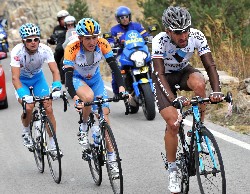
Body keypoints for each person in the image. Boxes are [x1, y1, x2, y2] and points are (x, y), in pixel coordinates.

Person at [151, 6, 223, 193]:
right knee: (174, 123)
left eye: (185, 30)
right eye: (177, 32)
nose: (183, 36)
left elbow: (210, 65)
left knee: (199, 83)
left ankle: (198, 129)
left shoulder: (197, 36)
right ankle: (173, 169)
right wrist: (173, 99)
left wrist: (216, 91)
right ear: (168, 31)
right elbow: (158, 73)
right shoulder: (160, 40)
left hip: (183, 72)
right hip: (163, 79)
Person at [63, 18, 127, 176]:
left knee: (105, 116)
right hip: (78, 79)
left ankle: (112, 159)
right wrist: (74, 97)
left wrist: (121, 87)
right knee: (89, 98)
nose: (92, 41)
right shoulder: (72, 48)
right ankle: (83, 126)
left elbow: (114, 68)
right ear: (80, 38)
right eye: (87, 38)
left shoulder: (103, 44)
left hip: (96, 80)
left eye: (94, 37)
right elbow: (68, 79)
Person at [10, 23, 63, 155]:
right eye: (29, 40)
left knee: (48, 107)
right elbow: (15, 78)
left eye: (36, 39)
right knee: (29, 106)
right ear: (23, 41)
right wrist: (23, 94)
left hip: (38, 79)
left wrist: (56, 87)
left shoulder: (45, 50)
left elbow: (55, 71)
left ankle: (52, 145)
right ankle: (26, 132)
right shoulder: (17, 52)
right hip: (22, 81)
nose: (33, 42)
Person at [107, 6, 150, 96]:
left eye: (126, 16)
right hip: (123, 53)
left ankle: (158, 85)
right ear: (118, 19)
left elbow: (144, 34)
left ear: (129, 16)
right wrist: (111, 44)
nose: (125, 19)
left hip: (138, 51)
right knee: (117, 69)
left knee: (152, 62)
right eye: (122, 17)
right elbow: (110, 40)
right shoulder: (114, 30)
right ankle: (118, 91)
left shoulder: (136, 26)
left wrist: (148, 37)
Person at [47, 10, 69, 84]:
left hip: (71, 47)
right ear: (59, 20)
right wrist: (51, 40)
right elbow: (54, 39)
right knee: (56, 56)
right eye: (62, 19)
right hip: (61, 48)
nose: (63, 20)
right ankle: (61, 75)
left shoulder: (72, 26)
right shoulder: (56, 29)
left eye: (65, 18)